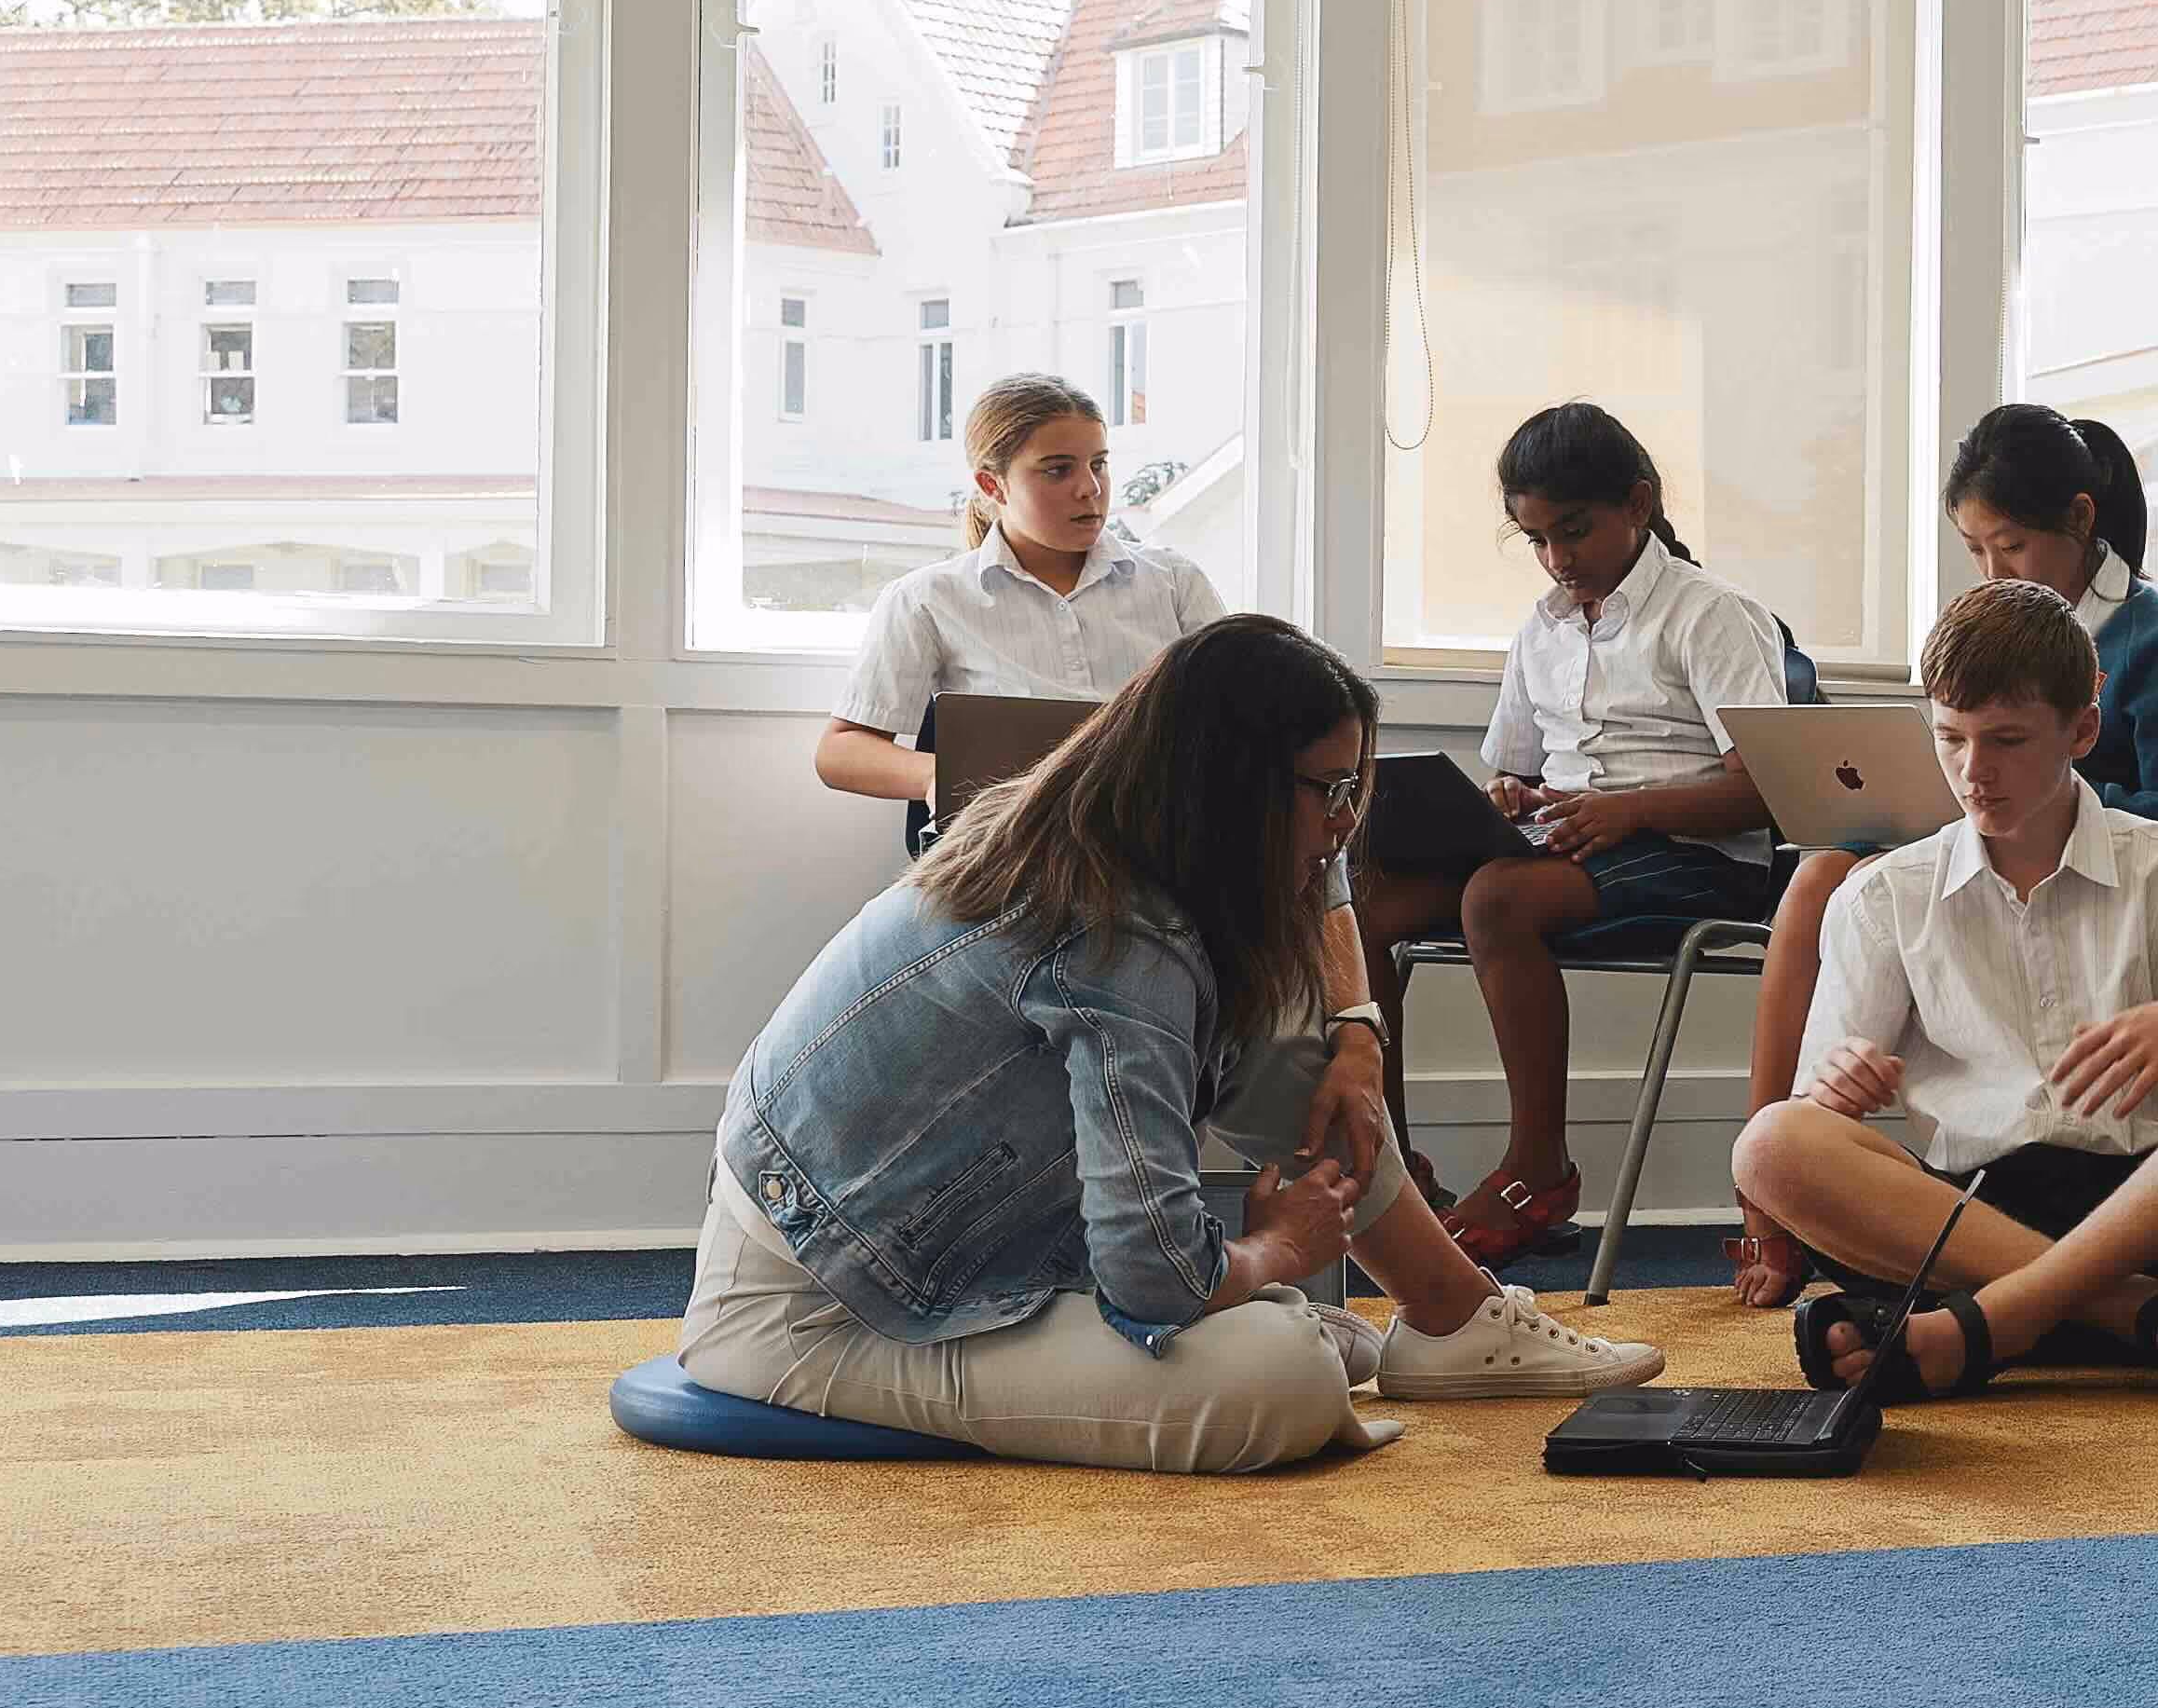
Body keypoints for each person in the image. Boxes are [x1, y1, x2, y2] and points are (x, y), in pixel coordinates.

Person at [689, 618, 1661, 1469]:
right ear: (1230, 793)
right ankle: (1314, 1320)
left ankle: (1450, 1319)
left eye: (1355, 788)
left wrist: (1357, 1035)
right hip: (821, 1309)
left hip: (915, 1239)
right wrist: (1278, 1251)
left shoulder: (1089, 819)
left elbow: (1323, 875)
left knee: (1291, 1050)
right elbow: (1153, 1279)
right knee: (1283, 1380)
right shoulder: (1120, 948)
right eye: (1330, 790)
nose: (1345, 825)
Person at [1732, 582, 2158, 1410]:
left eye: (2007, 740)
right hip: (1967, 1226)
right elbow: (1817, 1109)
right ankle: (2141, 1322)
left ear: (2083, 730)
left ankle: (1990, 1326)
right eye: (1950, 738)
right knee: (1771, 1142)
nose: (1973, 772)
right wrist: (1836, 1084)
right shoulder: (1882, 895)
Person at [813, 372, 1405, 1205]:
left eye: (1097, 464)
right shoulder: (929, 600)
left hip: (1165, 863)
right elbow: (842, 753)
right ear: (991, 484)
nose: (1088, 489)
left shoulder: (1171, 585)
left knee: (1289, 829)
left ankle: (1339, 1138)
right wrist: (969, 775)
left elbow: (1254, 745)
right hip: (1024, 869)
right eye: (1057, 470)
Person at [1716, 405, 2158, 1305]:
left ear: (2078, 522)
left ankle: (2009, 1302)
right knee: (1823, 885)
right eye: (1974, 550)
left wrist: (2052, 795)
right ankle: (2123, 1312)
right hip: (1977, 874)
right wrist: (1829, 1093)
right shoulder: (1986, 650)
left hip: (2101, 876)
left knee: (1835, 885)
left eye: (2008, 546)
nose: (1990, 569)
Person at [1353, 403, 1795, 1267]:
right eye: (1536, 540)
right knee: (1364, 903)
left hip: (1698, 858)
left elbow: (1768, 791)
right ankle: (1393, 1170)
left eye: (1574, 531)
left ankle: (1539, 1167)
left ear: (1638, 503)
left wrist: (1629, 810)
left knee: (1497, 897)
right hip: (1575, 846)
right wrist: (1508, 797)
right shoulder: (1542, 628)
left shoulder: (1710, 614)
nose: (1558, 559)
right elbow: (1515, 770)